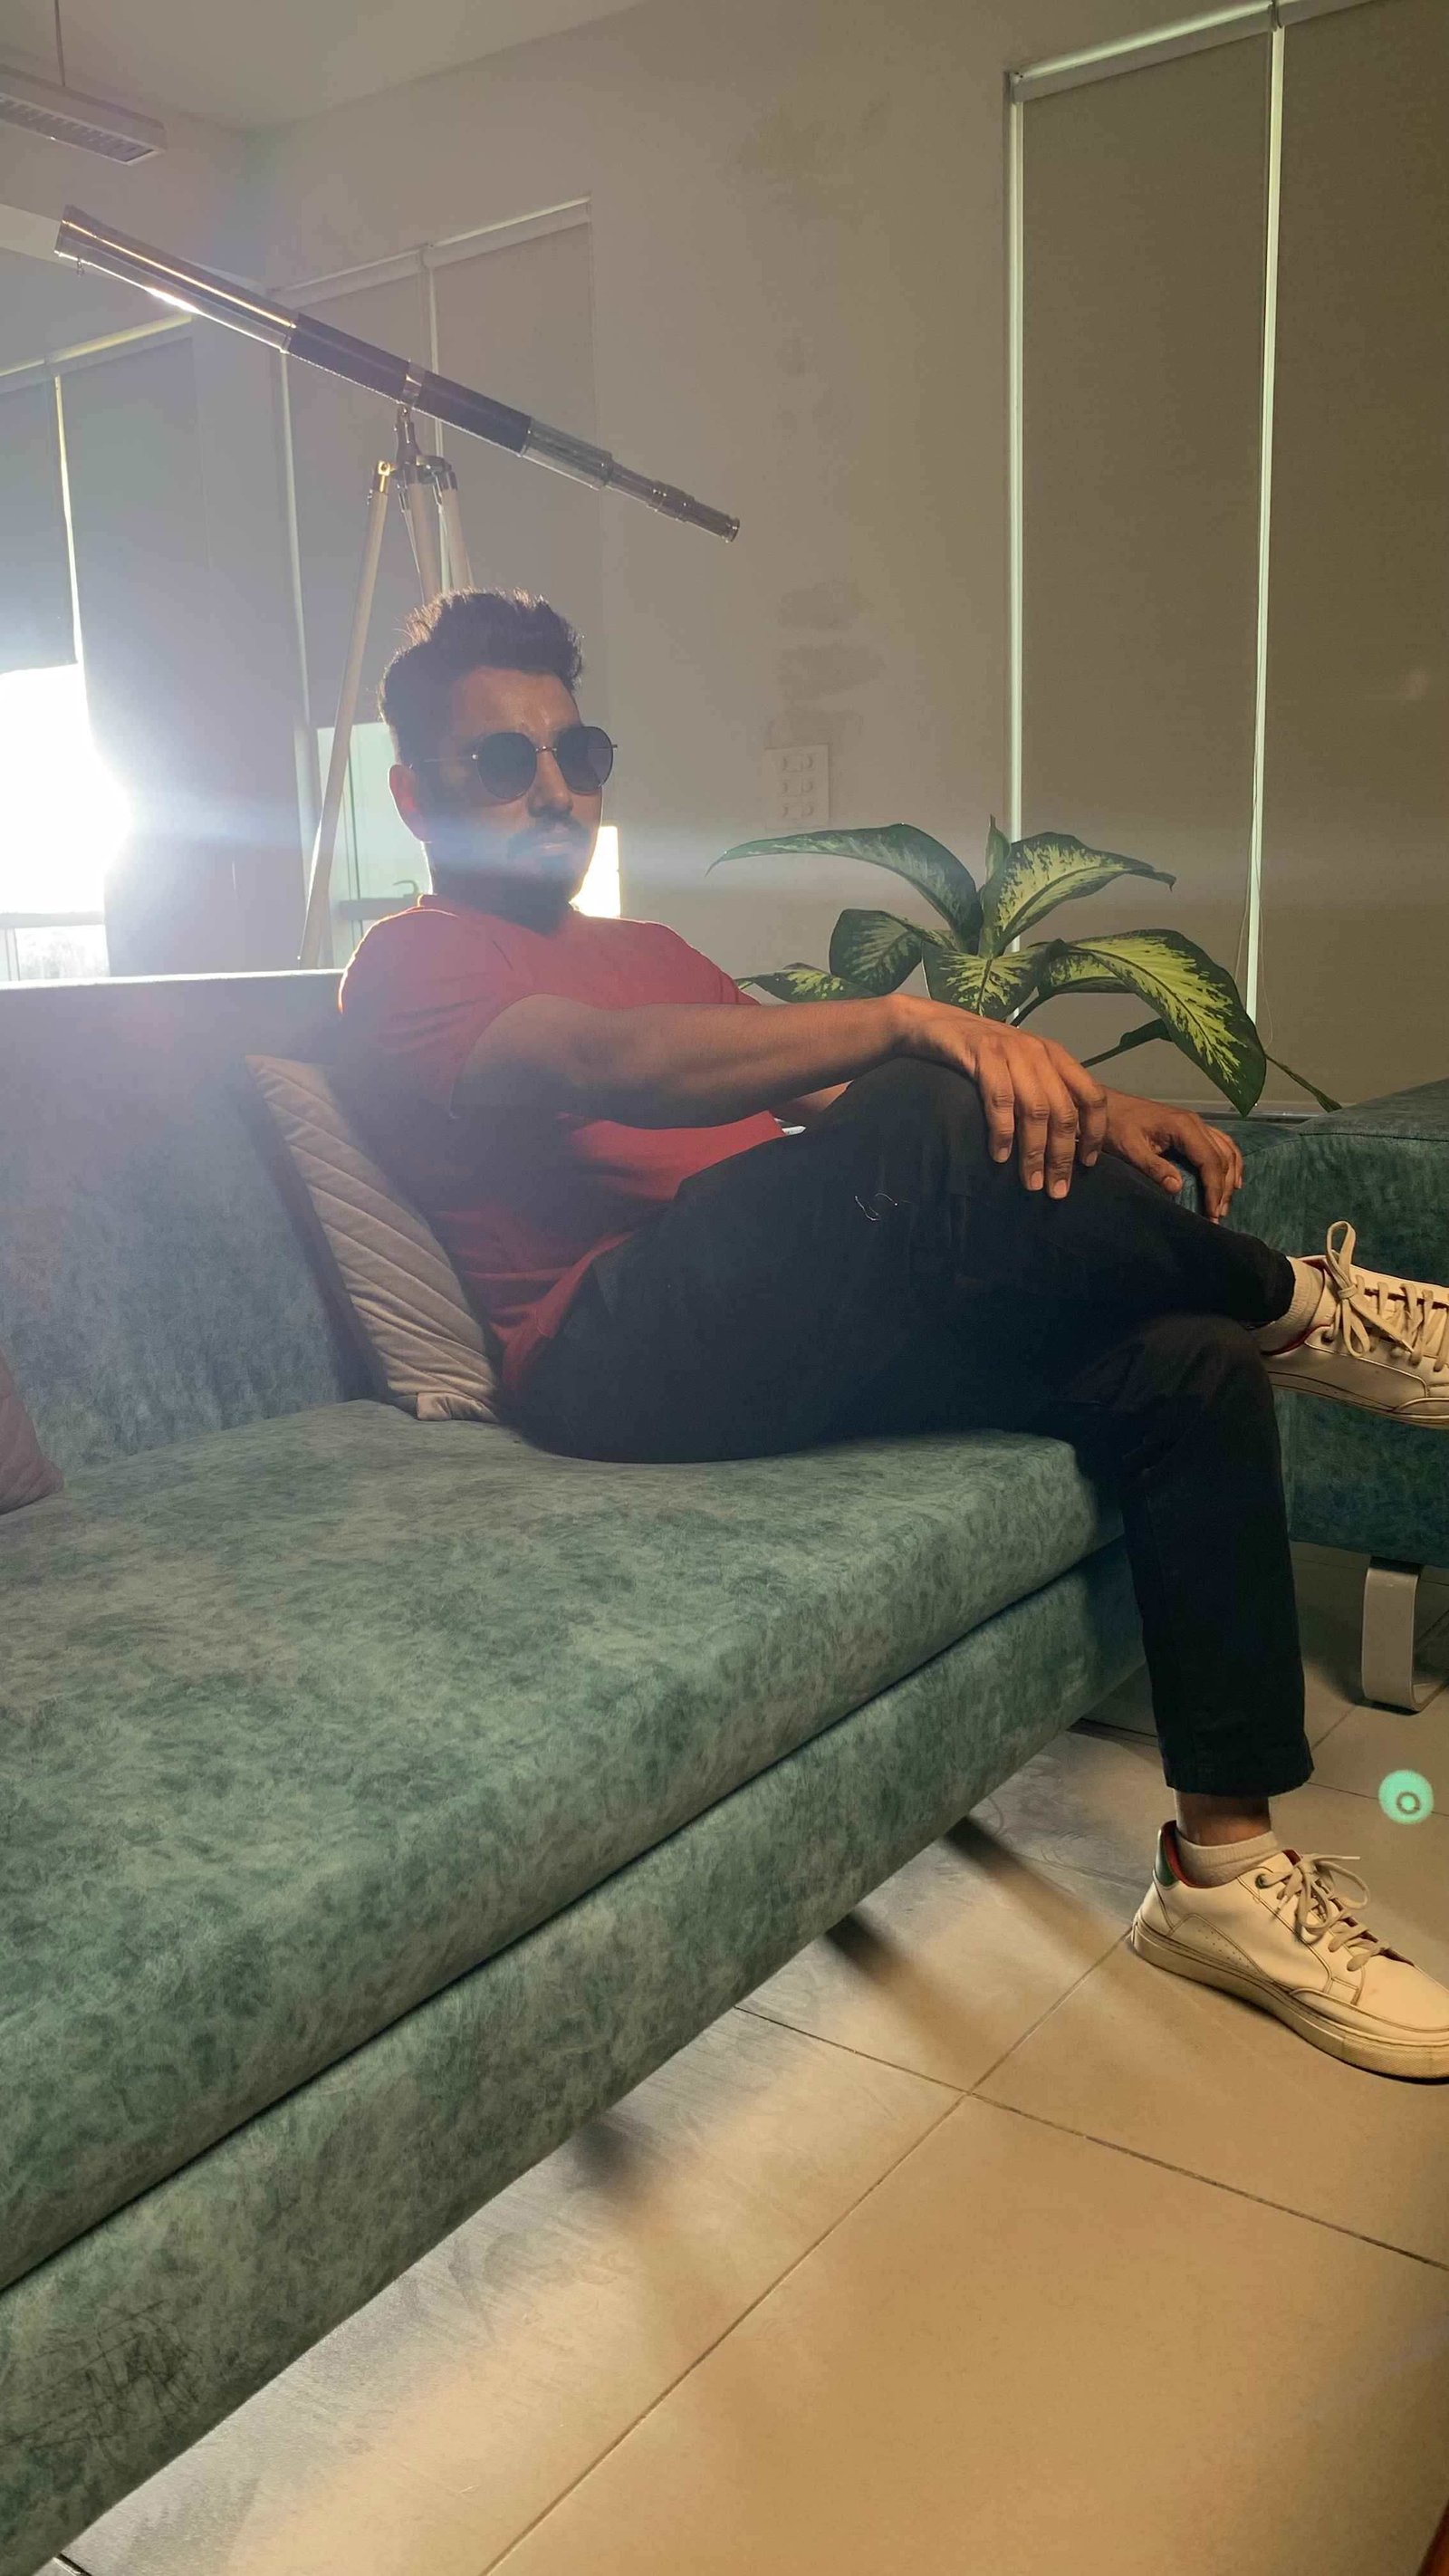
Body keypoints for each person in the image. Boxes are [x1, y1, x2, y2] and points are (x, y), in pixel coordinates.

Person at [339, 587, 1449, 2082]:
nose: (555, 790)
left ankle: (1226, 1875)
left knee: (1184, 1362)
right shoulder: (411, 964)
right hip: (616, 1353)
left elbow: (826, 1103)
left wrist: (1098, 1107)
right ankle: (1314, 1307)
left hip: (784, 1325)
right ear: (414, 795)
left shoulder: (652, 944)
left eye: (577, 753)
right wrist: (915, 1025)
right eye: (502, 761)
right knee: (926, 1094)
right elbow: (613, 1062)